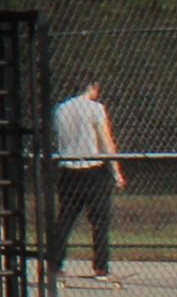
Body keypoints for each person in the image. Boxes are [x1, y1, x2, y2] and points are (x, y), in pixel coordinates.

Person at [46, 77, 125, 279]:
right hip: (92, 169)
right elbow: (105, 140)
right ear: (93, 87)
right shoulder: (95, 108)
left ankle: (56, 265)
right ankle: (100, 267)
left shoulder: (60, 109)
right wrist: (116, 172)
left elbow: (58, 138)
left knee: (65, 218)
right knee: (99, 220)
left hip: (68, 169)